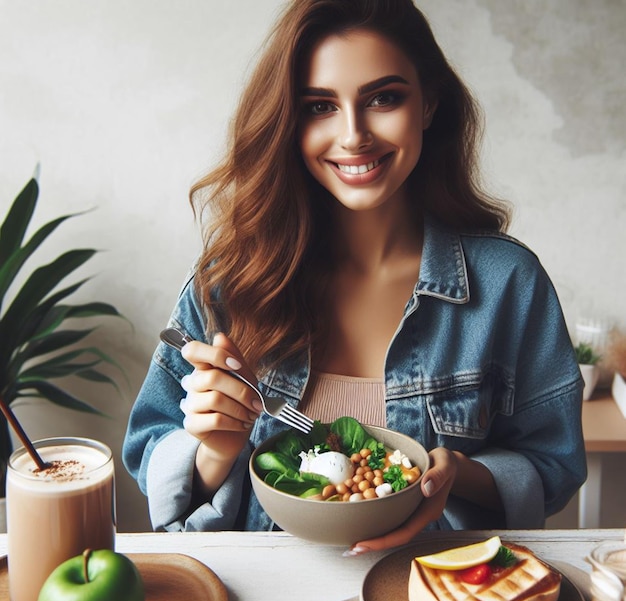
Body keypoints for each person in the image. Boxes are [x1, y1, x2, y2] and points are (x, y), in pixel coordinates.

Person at [122, 0, 586, 555]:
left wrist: (455, 475)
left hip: (433, 593)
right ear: (288, 122)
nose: (353, 136)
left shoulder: (508, 283)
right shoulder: (228, 284)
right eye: (319, 106)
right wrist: (214, 452)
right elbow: (149, 453)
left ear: (429, 102)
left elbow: (551, 463)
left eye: (383, 99)